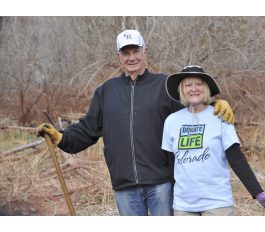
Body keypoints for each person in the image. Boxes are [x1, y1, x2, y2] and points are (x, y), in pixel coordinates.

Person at [36, 30, 234, 216]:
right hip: (125, 185)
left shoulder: (164, 86)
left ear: (145, 51)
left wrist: (215, 104)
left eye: (136, 51)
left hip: (162, 182)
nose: (131, 57)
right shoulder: (106, 91)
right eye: (126, 53)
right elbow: (88, 130)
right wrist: (61, 137)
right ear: (119, 57)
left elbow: (192, 111)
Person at [162, 65, 265, 216]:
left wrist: (258, 193)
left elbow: (236, 157)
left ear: (206, 88)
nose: (194, 89)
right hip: (183, 206)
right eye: (188, 85)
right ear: (182, 89)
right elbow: (171, 164)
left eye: (199, 84)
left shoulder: (221, 116)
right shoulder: (172, 121)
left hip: (217, 203)